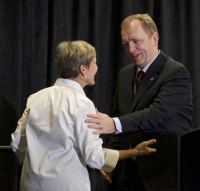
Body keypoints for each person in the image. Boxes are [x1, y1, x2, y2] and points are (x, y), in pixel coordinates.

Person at [11, 40, 157, 191]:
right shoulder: (82, 103)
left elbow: (16, 142)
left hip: (30, 184)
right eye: (95, 63)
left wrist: (35, 165)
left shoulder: (35, 98)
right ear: (83, 70)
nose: (97, 68)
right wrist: (134, 152)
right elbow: (94, 157)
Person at [86, 14, 194, 191]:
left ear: (154, 38)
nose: (131, 49)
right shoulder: (124, 74)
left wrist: (113, 124)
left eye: (136, 41)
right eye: (126, 43)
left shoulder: (176, 72)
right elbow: (118, 114)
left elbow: (156, 114)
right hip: (128, 175)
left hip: (164, 175)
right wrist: (111, 160)